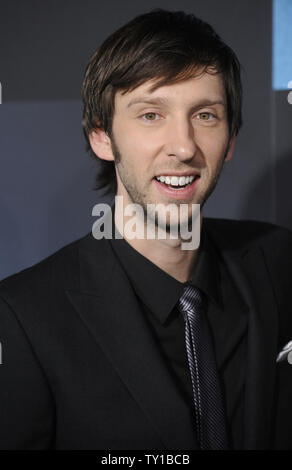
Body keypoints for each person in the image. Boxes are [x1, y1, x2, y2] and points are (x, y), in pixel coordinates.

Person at [0, 8, 292, 451]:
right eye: (151, 115)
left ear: (230, 139)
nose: (183, 146)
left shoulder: (278, 260)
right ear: (102, 136)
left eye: (206, 115)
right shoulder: (24, 316)